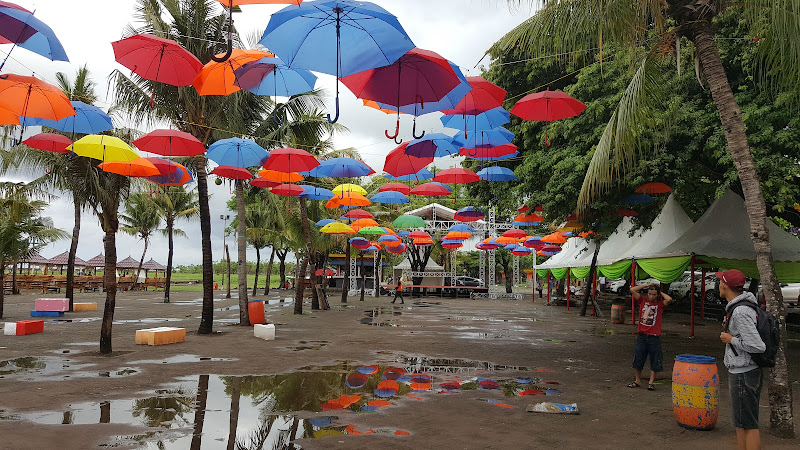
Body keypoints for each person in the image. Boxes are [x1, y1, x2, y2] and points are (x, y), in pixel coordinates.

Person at [718, 269, 765, 450]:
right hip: (744, 371)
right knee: (741, 422)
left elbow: (757, 346)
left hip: (744, 372)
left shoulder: (740, 311)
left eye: (720, 282)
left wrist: (732, 340)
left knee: (748, 424)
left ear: (725, 285)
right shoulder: (739, 307)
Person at [628, 282, 673, 390]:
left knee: (655, 359)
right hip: (642, 335)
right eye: (649, 294)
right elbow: (632, 290)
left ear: (657, 295)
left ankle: (651, 382)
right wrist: (646, 285)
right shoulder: (642, 301)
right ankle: (637, 380)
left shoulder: (660, 305)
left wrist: (659, 291)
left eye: (654, 294)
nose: (651, 296)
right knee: (638, 358)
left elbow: (669, 299)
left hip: (654, 336)